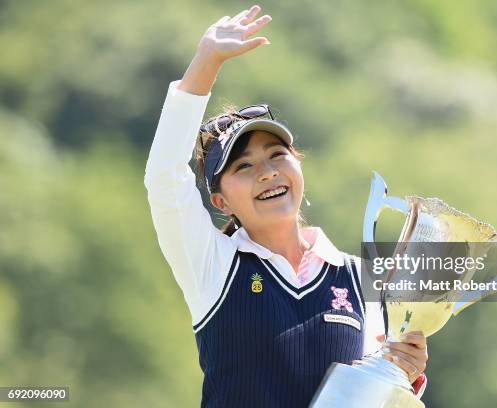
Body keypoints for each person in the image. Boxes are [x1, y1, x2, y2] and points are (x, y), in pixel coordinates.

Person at [144, 5, 428, 407]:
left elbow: (370, 396)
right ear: (220, 201)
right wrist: (205, 63)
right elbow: (163, 179)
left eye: (277, 154)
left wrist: (406, 372)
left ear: (298, 165)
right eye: (243, 166)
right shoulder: (214, 265)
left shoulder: (362, 279)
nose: (266, 172)